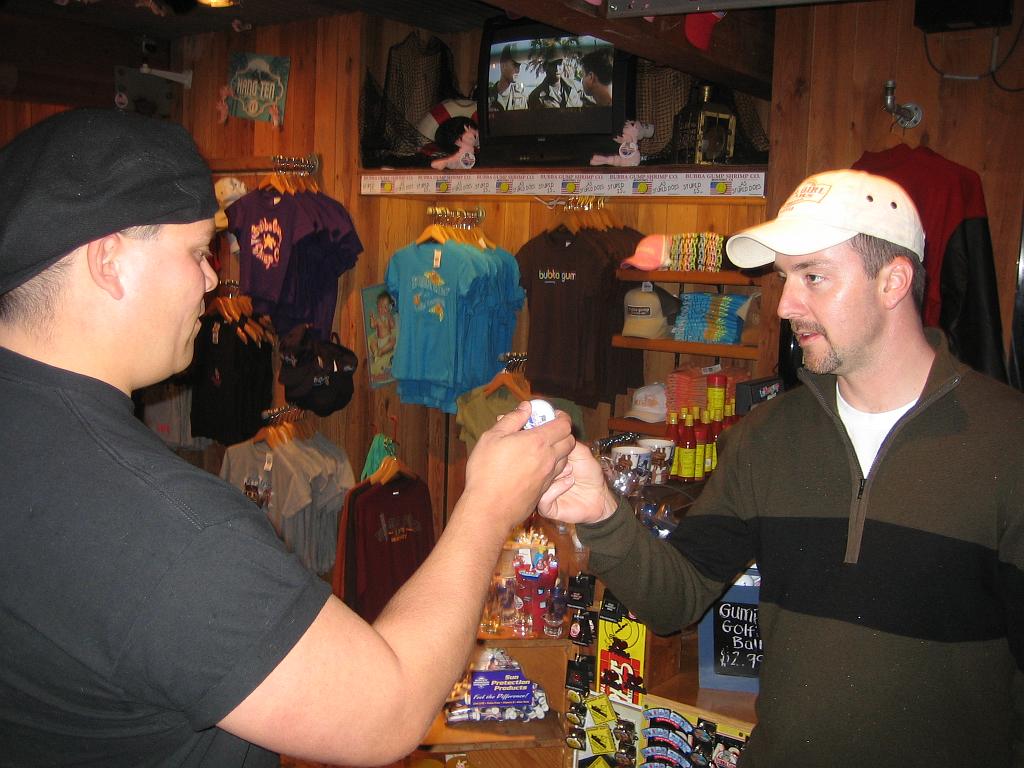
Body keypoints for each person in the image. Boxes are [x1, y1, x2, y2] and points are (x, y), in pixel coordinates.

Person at [0, 108, 600, 766]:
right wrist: (488, 505)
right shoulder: (172, 533)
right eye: (198, 251)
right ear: (108, 260)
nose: (210, 280)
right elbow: (387, 710)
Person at [539, 169, 1024, 766]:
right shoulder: (767, 437)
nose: (787, 304)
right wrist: (603, 516)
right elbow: (677, 600)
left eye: (813, 276)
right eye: (784, 278)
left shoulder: (1009, 442)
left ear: (893, 281)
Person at [487, 44, 527, 112]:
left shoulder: (521, 98)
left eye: (519, 66)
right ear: (503, 65)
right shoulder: (487, 97)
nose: (518, 70)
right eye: (515, 65)